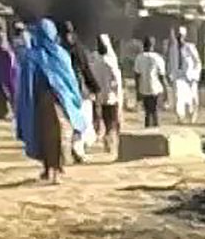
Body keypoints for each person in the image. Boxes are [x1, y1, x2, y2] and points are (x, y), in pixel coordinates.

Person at [14, 17, 85, 184]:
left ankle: (49, 168)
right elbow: (70, 81)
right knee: (60, 135)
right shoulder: (61, 54)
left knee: (44, 136)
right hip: (62, 102)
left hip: (40, 103)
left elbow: (26, 83)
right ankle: (56, 168)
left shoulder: (32, 56)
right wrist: (74, 98)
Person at [91, 33, 123, 152]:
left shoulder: (95, 60)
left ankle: (106, 140)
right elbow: (116, 80)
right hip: (111, 96)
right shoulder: (110, 61)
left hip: (100, 96)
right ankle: (109, 141)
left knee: (104, 119)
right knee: (112, 121)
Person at [133, 38, 166, 126]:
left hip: (144, 87)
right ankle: (155, 127)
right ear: (152, 45)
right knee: (155, 110)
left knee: (147, 111)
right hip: (156, 87)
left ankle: (147, 127)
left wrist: (137, 90)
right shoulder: (158, 58)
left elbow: (137, 75)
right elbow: (162, 75)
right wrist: (165, 88)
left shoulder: (139, 58)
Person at [172, 26, 201, 123]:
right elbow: (171, 62)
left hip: (190, 77)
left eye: (180, 36)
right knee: (178, 98)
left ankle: (192, 117)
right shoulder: (173, 48)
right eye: (177, 36)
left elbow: (197, 62)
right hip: (178, 76)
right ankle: (180, 118)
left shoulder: (190, 47)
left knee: (192, 99)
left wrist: (194, 75)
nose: (179, 38)